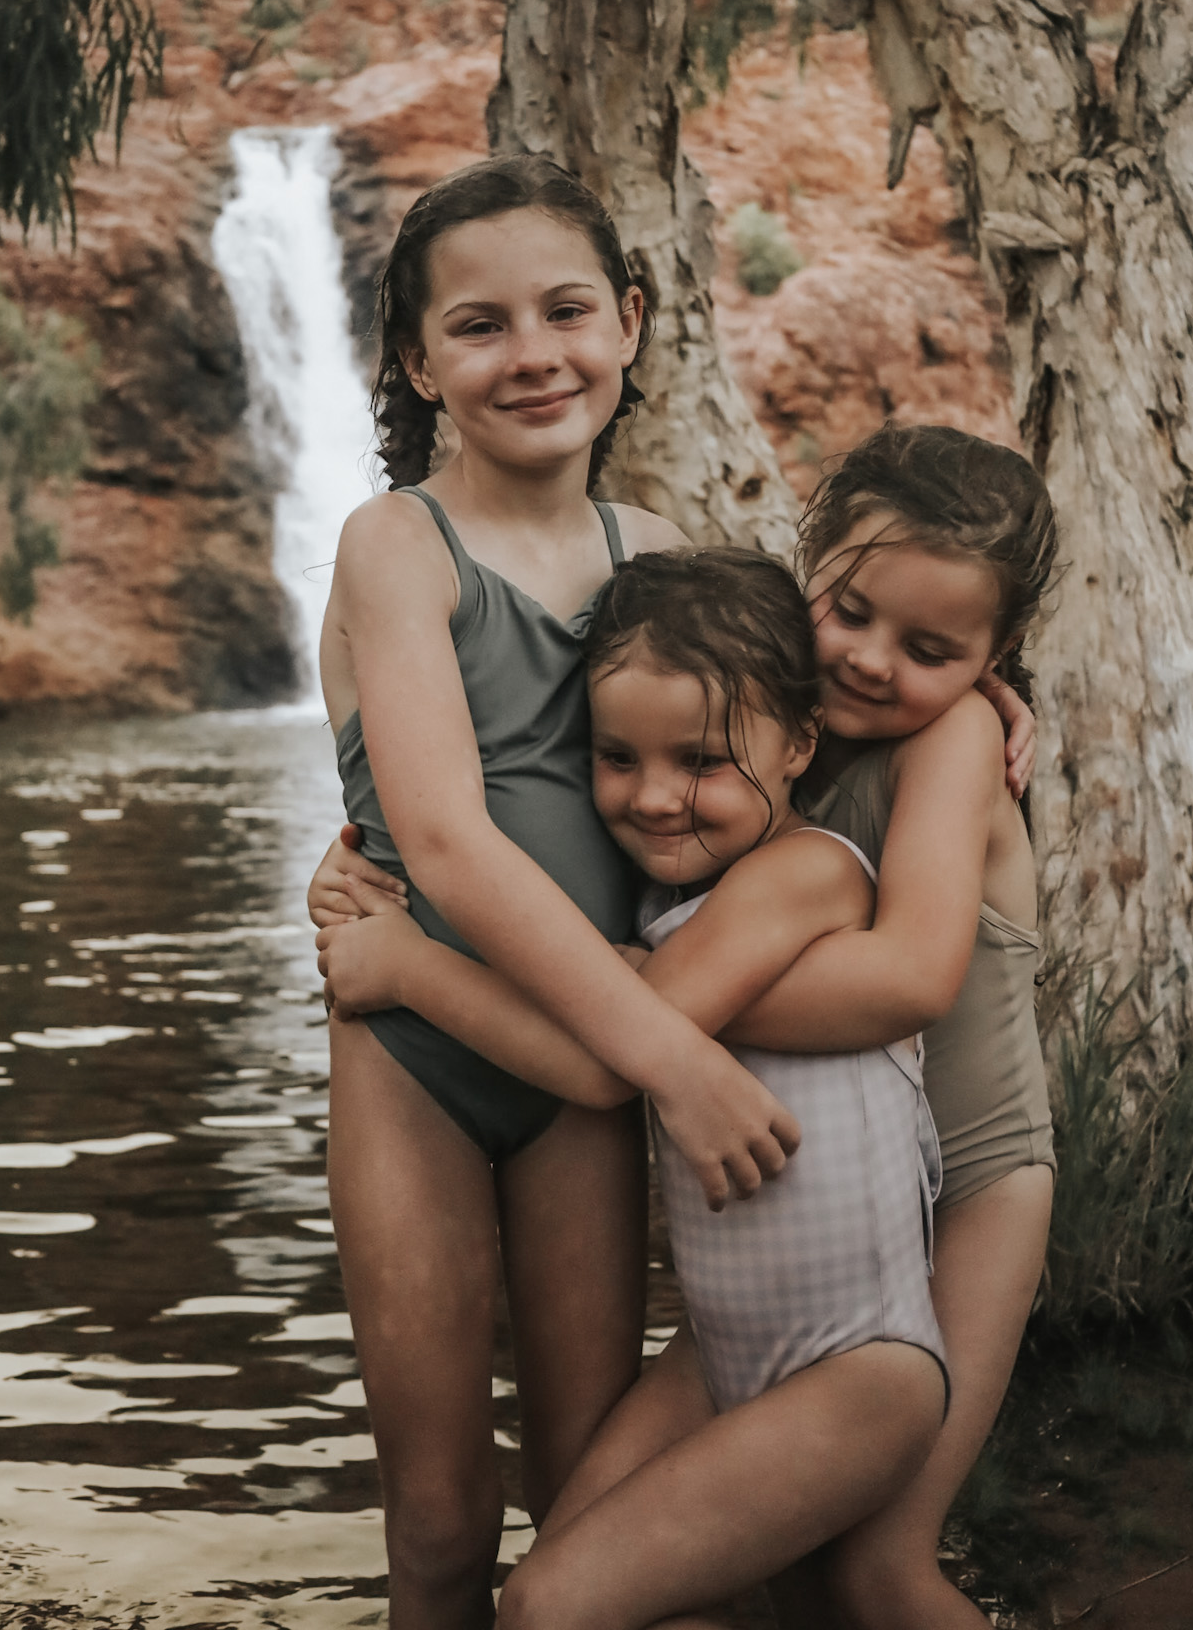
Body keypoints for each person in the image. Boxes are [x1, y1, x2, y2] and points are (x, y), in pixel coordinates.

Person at [318, 425, 1058, 1630]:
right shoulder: (757, 730)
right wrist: (366, 858)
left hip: (975, 1173)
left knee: (874, 1567)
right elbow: (506, 777)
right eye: (853, 613)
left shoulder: (949, 732)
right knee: (732, 1561)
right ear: (807, 575)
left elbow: (912, 977)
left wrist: (636, 984)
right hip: (814, 1241)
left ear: (993, 653)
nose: (873, 661)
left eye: (933, 647)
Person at [314, 152, 801, 1630]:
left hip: (582, 1079)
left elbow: (795, 725)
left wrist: (993, 703)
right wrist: (684, 1069)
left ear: (633, 322)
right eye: (478, 326)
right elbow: (448, 842)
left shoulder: (649, 552)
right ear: (416, 359)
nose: (532, 354)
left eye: (566, 310)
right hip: (421, 1067)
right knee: (446, 1523)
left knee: (588, 1494)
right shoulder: (397, 544)